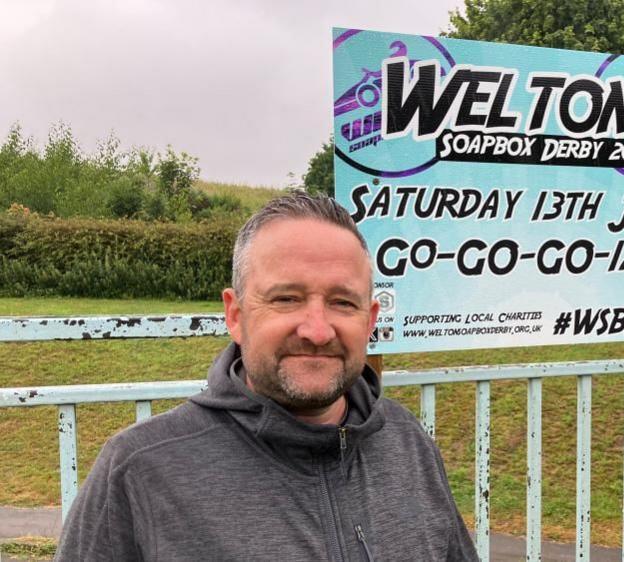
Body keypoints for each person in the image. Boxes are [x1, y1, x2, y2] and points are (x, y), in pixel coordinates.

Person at [56, 191, 478, 561]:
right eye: (286, 298)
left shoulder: (407, 441)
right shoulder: (141, 471)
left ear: (369, 321)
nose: (316, 330)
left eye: (342, 303)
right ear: (235, 314)